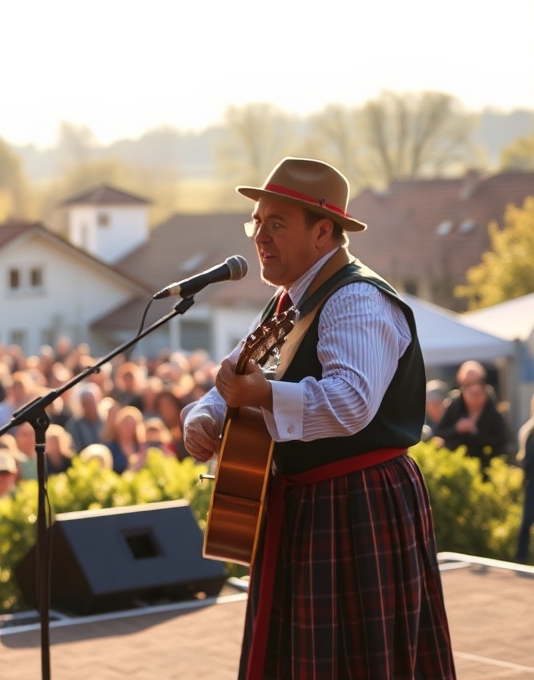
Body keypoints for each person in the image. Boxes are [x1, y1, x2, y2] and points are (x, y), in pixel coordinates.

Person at [183, 157, 454, 678]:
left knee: (360, 660)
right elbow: (235, 377)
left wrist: (263, 395)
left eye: (276, 223)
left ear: (323, 231)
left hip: (356, 502)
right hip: (309, 504)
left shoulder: (356, 300)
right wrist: (204, 414)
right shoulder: (288, 302)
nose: (260, 237)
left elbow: (351, 402)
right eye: (256, 222)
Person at [431, 375, 511, 470]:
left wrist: (476, 433)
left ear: (485, 395)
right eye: (471, 394)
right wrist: (456, 429)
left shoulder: (493, 414)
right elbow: (440, 433)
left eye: (477, 394)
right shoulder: (455, 408)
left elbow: (501, 442)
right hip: (456, 465)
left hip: (486, 465)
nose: (474, 399)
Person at [103, 404, 149, 474]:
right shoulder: (110, 448)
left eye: (132, 424)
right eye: (126, 423)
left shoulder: (140, 448)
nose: (128, 428)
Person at [516, 392, 534, 563]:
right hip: (531, 485)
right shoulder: (528, 431)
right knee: (526, 523)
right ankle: (520, 561)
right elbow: (525, 459)